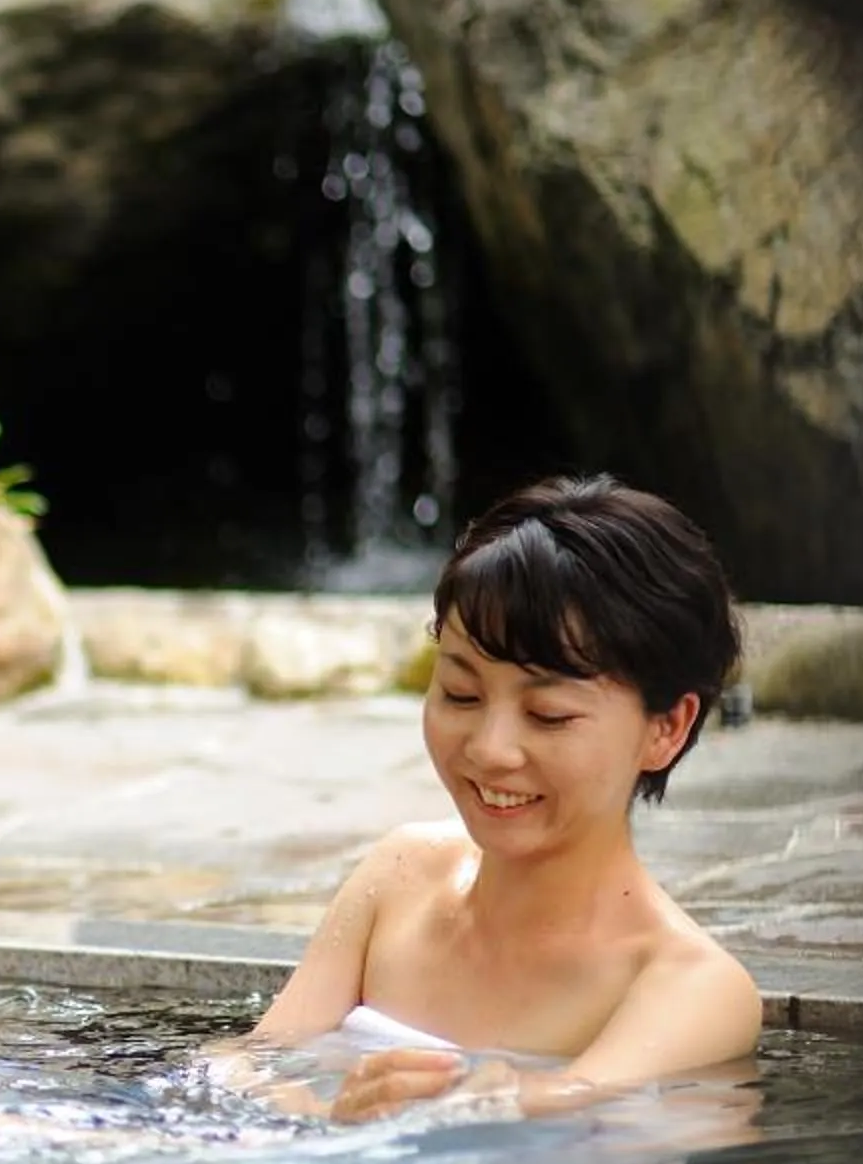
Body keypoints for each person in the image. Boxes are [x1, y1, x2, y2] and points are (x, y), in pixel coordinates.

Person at [211, 473, 760, 1124]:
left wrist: (468, 1104)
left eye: (549, 715)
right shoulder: (401, 876)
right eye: (461, 694)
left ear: (665, 727)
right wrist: (324, 1115)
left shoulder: (689, 984)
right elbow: (239, 1064)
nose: (491, 749)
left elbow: (562, 1116)